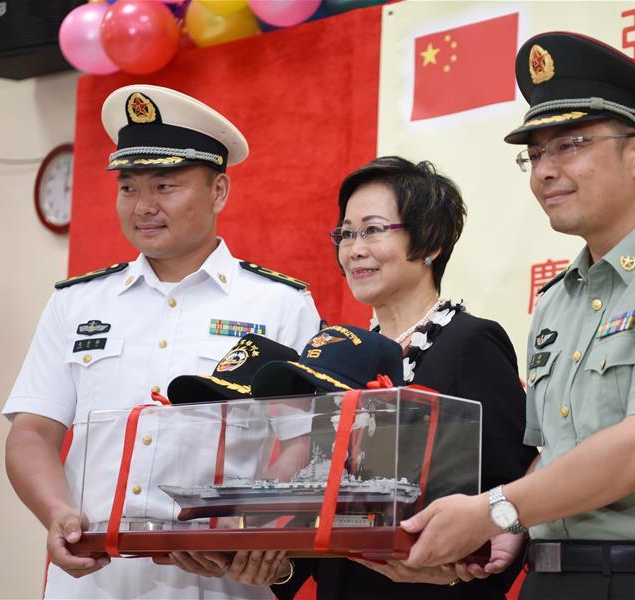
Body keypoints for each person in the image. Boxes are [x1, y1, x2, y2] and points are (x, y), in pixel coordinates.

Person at [399, 32, 635, 600]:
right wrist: (511, 529)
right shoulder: (558, 299)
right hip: (550, 579)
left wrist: (493, 510)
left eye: (569, 145)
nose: (544, 170)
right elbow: (557, 450)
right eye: (536, 153)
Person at [3, 84, 321, 599]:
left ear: (219, 191)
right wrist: (58, 513)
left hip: (219, 586)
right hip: (94, 583)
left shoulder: (280, 305)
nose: (143, 205)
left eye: (165, 186)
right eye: (129, 188)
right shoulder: (77, 303)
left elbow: (305, 443)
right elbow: (32, 433)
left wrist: (254, 532)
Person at [226, 156, 537, 599]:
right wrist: (271, 567)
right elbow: (319, 499)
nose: (355, 249)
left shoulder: (471, 342)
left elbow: (514, 492)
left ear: (431, 243)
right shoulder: (336, 357)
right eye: (346, 233)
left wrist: (455, 574)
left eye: (372, 230)